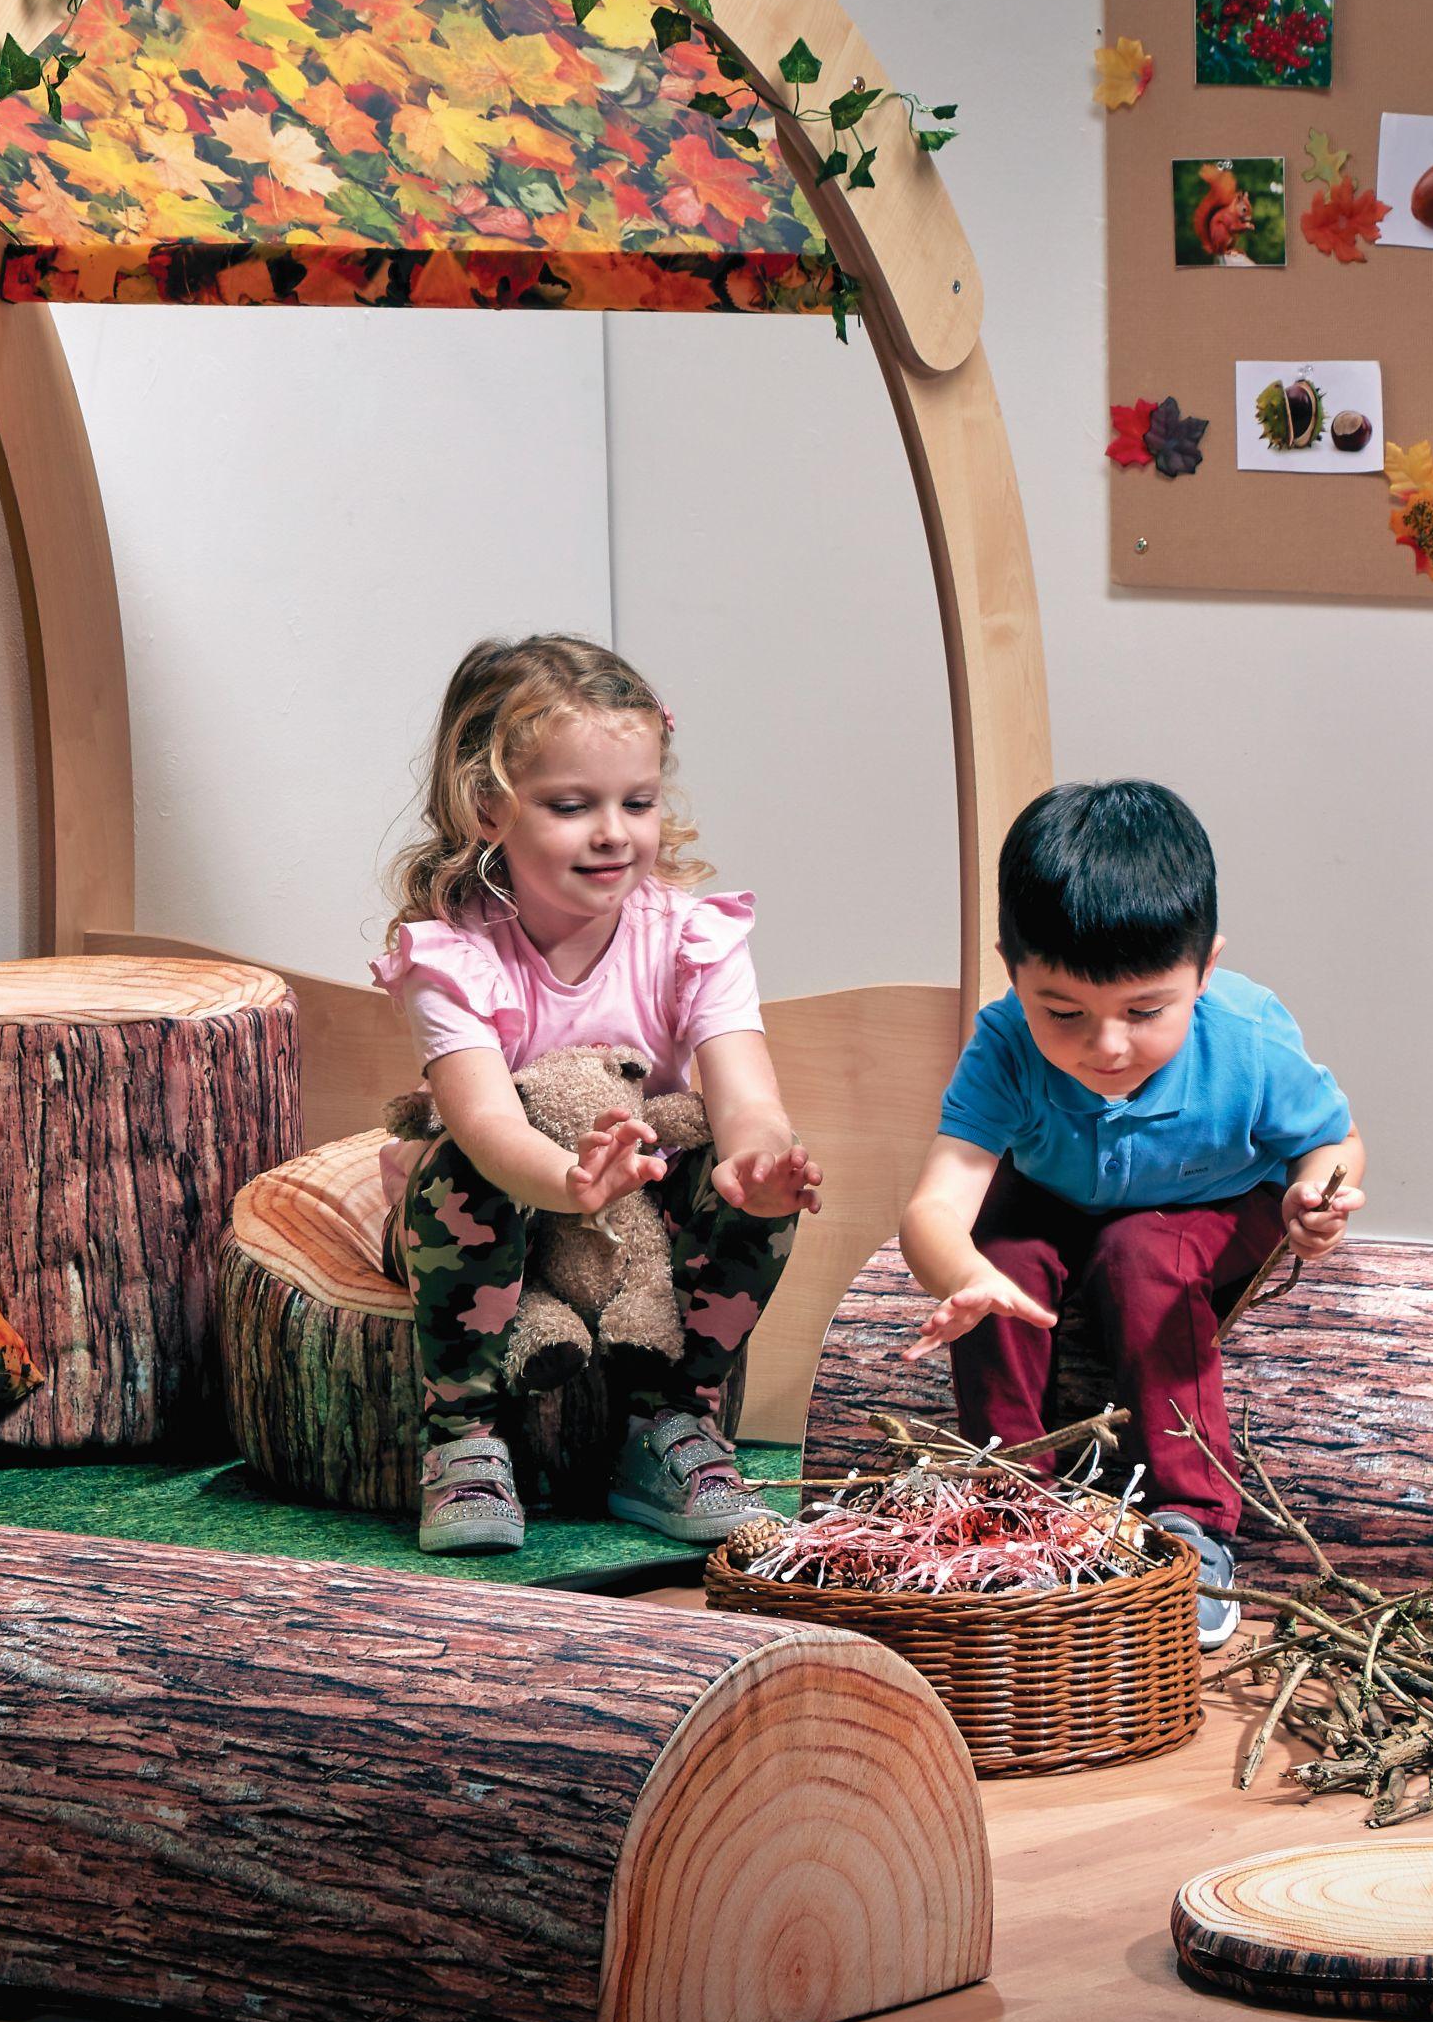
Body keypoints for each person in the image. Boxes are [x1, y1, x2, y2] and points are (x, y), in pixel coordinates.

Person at [373, 636, 820, 1556]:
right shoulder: (454, 956)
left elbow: (743, 1095)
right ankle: (462, 1438)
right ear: (489, 807)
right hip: (510, 1209)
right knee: (461, 1173)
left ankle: (669, 1425)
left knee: (741, 1186)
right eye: (572, 806)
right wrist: (569, 1183)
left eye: (638, 802)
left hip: (635, 1223)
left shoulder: (691, 937)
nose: (614, 831)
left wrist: (758, 1163)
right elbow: (487, 1123)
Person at [896, 781, 1363, 1649]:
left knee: (1141, 1252)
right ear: (1013, 969)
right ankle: (1013, 1508)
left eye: (1146, 1012)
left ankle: (1194, 1523)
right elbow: (936, 1201)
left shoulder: (1249, 1040)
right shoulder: (1003, 1045)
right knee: (1001, 1254)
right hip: (1059, 1194)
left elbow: (1333, 1141)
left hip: (1212, 1200)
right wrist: (961, 1276)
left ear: (1205, 970)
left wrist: (1317, 1197)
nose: (1106, 1047)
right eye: (1062, 1012)